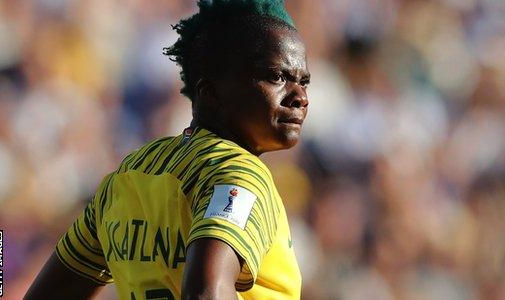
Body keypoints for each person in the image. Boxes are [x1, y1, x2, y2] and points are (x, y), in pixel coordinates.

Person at [25, 0, 310, 299]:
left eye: (304, 82)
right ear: (211, 92)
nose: (300, 97)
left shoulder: (131, 172)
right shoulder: (239, 175)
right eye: (277, 77)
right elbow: (205, 292)